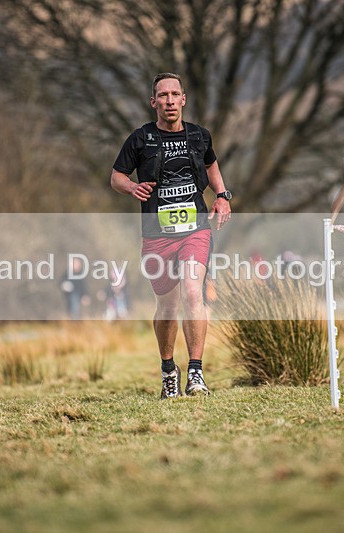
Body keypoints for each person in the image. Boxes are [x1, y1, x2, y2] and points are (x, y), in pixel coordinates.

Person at [110, 73, 232, 398]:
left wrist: (222, 196)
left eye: (174, 94)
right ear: (154, 102)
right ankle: (168, 371)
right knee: (167, 305)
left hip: (196, 230)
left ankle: (196, 372)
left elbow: (211, 165)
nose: (169, 100)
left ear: (183, 99)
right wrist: (131, 187)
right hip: (157, 235)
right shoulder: (140, 139)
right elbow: (116, 176)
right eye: (163, 95)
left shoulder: (199, 136)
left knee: (192, 293)